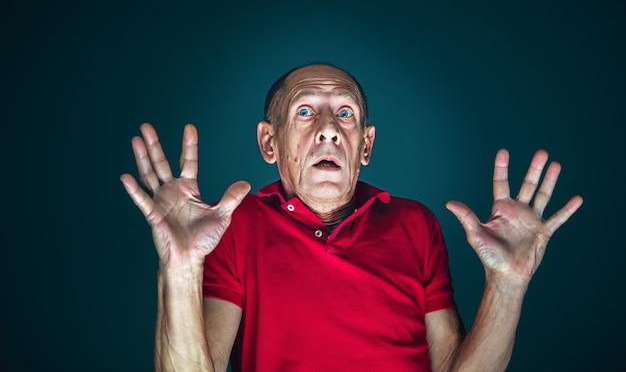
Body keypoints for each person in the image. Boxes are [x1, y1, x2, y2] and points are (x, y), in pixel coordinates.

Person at [121, 63, 583, 372]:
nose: (328, 129)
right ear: (269, 143)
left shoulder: (415, 224)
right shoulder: (235, 226)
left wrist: (509, 282)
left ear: (365, 145)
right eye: (305, 112)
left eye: (345, 113)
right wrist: (180, 269)